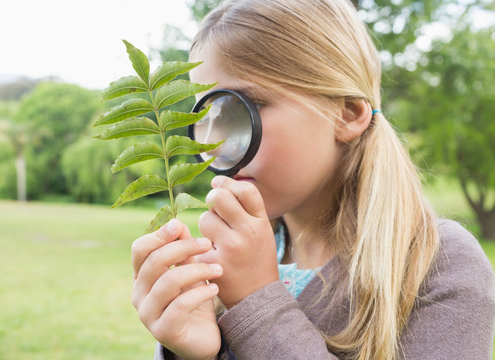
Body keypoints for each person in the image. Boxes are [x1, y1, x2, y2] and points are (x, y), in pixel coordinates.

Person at [130, 0, 495, 359]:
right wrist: (196, 353)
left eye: (247, 106)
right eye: (206, 114)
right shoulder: (225, 260)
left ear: (346, 115)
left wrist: (256, 305)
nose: (216, 146)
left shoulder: (438, 263)